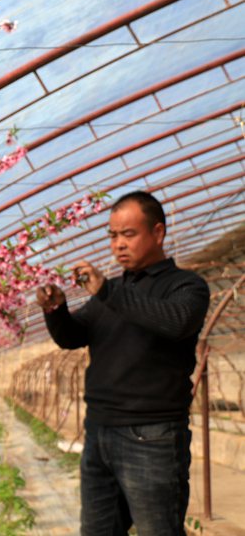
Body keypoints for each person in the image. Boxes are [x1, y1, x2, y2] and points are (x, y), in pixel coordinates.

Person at [35, 191, 210, 535]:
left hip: (151, 436)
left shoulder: (186, 287)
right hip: (100, 431)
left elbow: (175, 321)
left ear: (157, 233)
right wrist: (55, 310)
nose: (118, 245)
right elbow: (72, 337)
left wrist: (107, 292)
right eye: (113, 235)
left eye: (128, 234)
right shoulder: (110, 293)